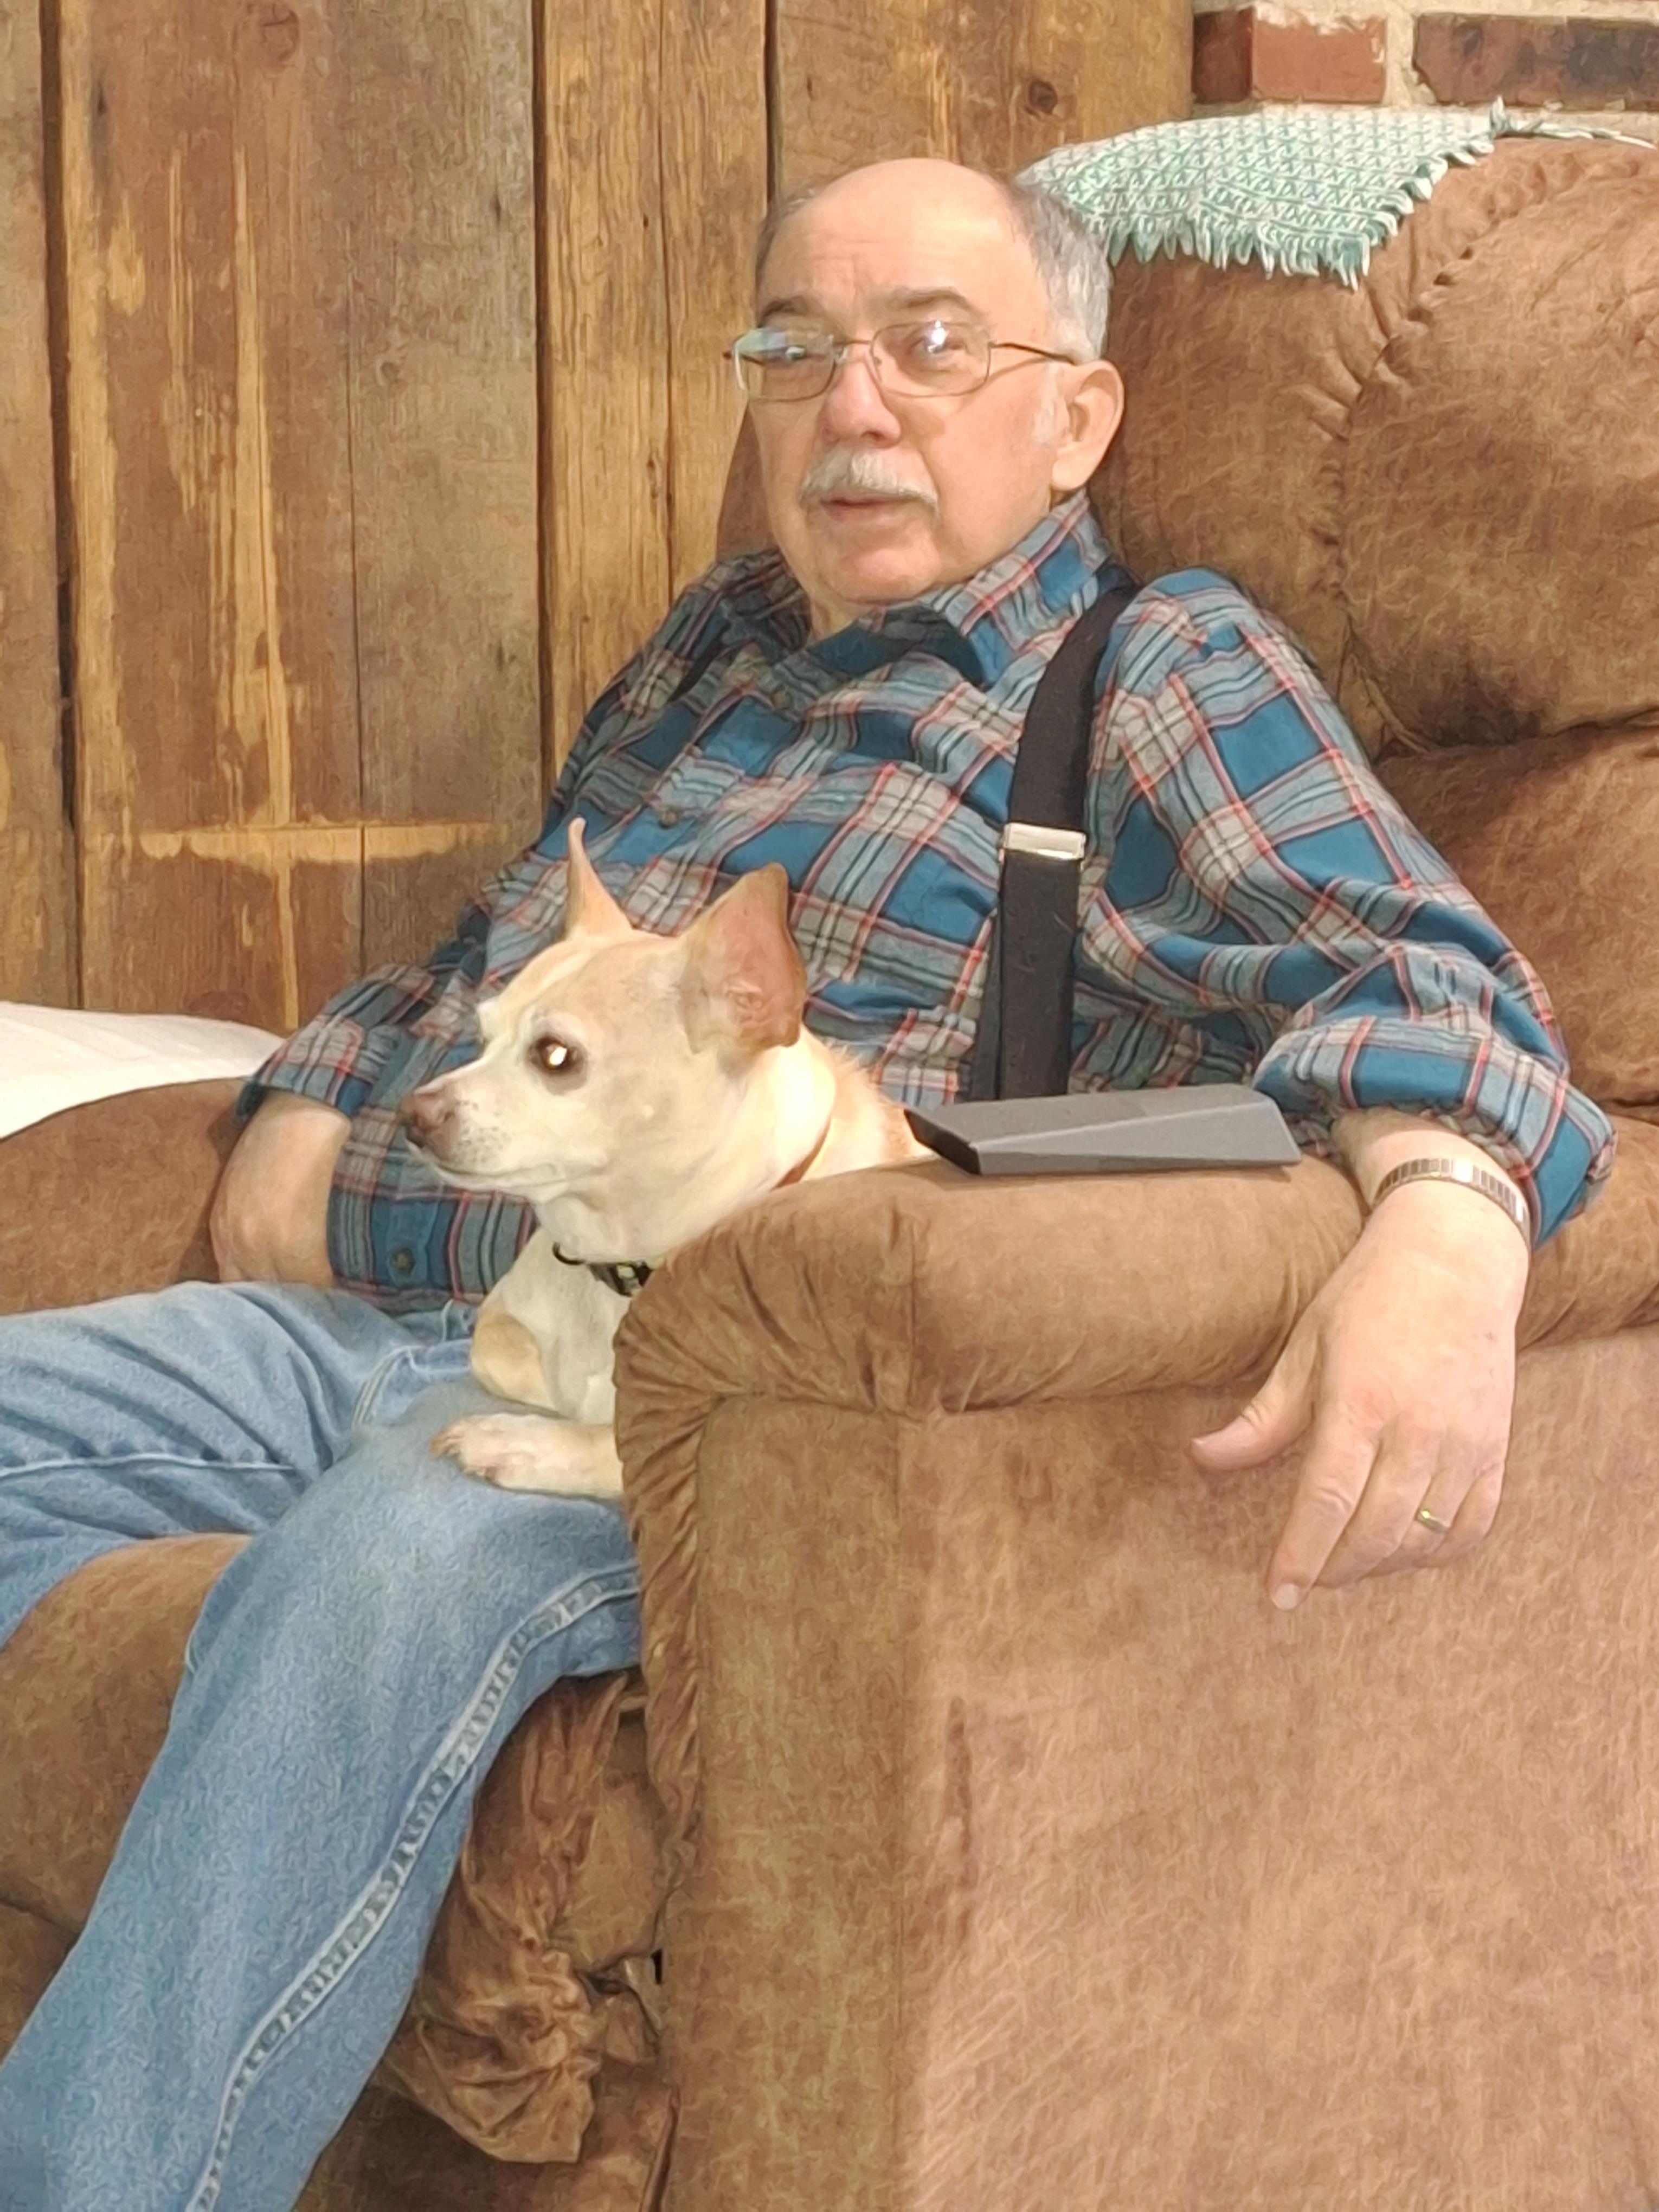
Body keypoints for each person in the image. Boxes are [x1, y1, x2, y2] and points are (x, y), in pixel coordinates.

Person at [0, 158, 1611, 2208]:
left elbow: (1441, 989)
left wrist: (1448, 1223)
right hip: (413, 1320)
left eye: (929, 347)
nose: (852, 406)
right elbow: (503, 955)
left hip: (695, 1413)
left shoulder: (1155, 672)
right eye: (796, 348)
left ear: (1077, 417)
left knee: (375, 1576)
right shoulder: (721, 648)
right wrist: (314, 1096)